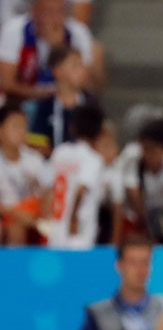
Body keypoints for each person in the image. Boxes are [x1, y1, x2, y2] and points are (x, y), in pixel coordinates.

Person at [0, 0, 98, 101]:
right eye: (49, 12)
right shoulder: (15, 29)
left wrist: (58, 47)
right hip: (21, 100)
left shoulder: (78, 32)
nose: (56, 19)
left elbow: (90, 82)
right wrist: (45, 95)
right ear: (34, 12)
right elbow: (6, 82)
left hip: (65, 101)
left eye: (60, 11)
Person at [76, 237, 163, 330]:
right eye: (133, 262)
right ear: (120, 265)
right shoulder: (98, 312)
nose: (140, 270)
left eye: (145, 262)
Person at [47, 102, 103, 249]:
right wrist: (73, 220)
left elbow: (48, 187)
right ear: (99, 132)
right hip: (78, 229)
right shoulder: (93, 159)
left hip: (56, 225)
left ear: (73, 127)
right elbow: (81, 190)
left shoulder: (59, 152)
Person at [0, 104, 52, 245]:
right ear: (1, 130)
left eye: (24, 126)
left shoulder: (34, 159)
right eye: (15, 126)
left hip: (34, 213)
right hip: (9, 215)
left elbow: (49, 189)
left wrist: (43, 211)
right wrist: (17, 214)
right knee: (14, 227)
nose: (21, 131)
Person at [30, 44, 94, 155]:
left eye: (82, 66)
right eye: (75, 66)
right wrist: (60, 157)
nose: (82, 71)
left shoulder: (91, 104)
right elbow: (36, 144)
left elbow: (99, 140)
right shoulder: (46, 106)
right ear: (57, 72)